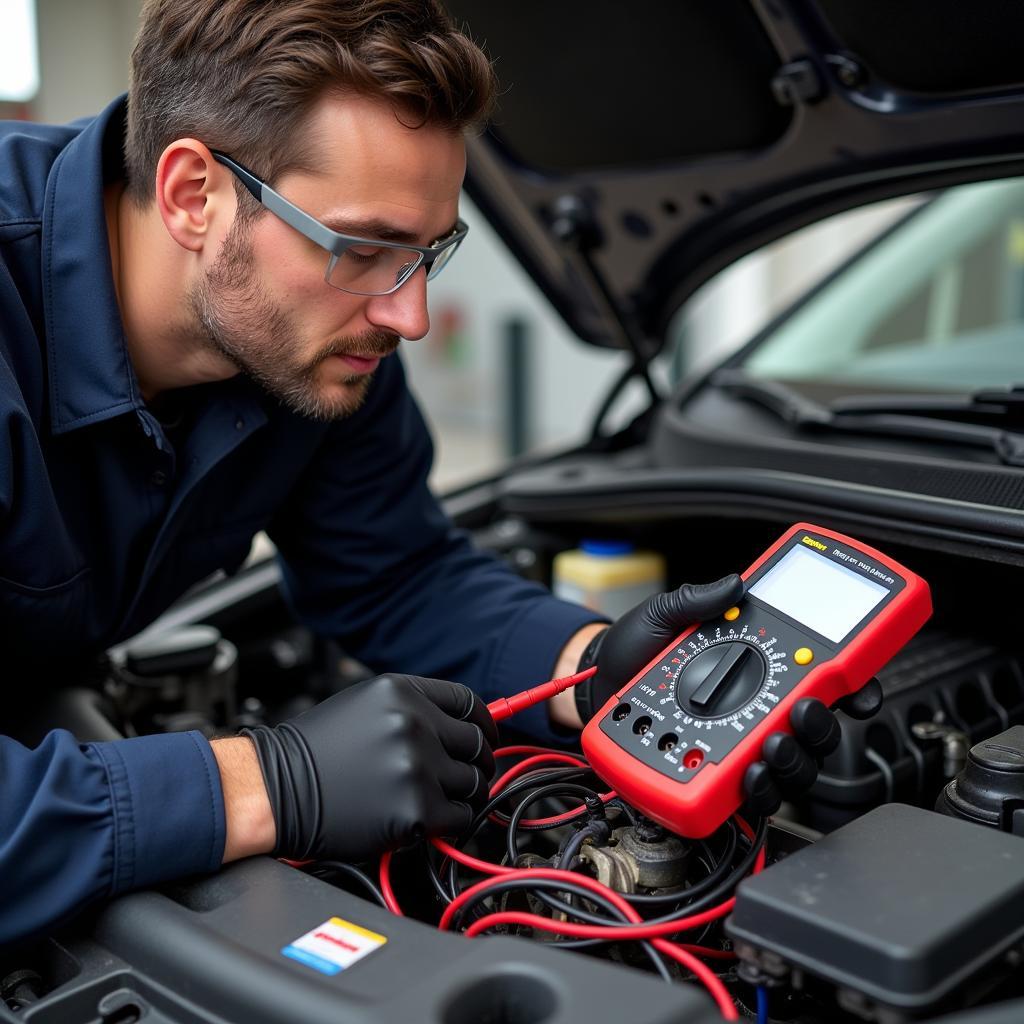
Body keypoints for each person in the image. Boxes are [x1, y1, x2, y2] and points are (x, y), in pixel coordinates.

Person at [0, 0, 870, 947]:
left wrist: (600, 675)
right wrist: (266, 783)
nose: (409, 316)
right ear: (193, 194)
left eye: (427, 253)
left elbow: (394, 571)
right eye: (362, 248)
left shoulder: (320, 345)